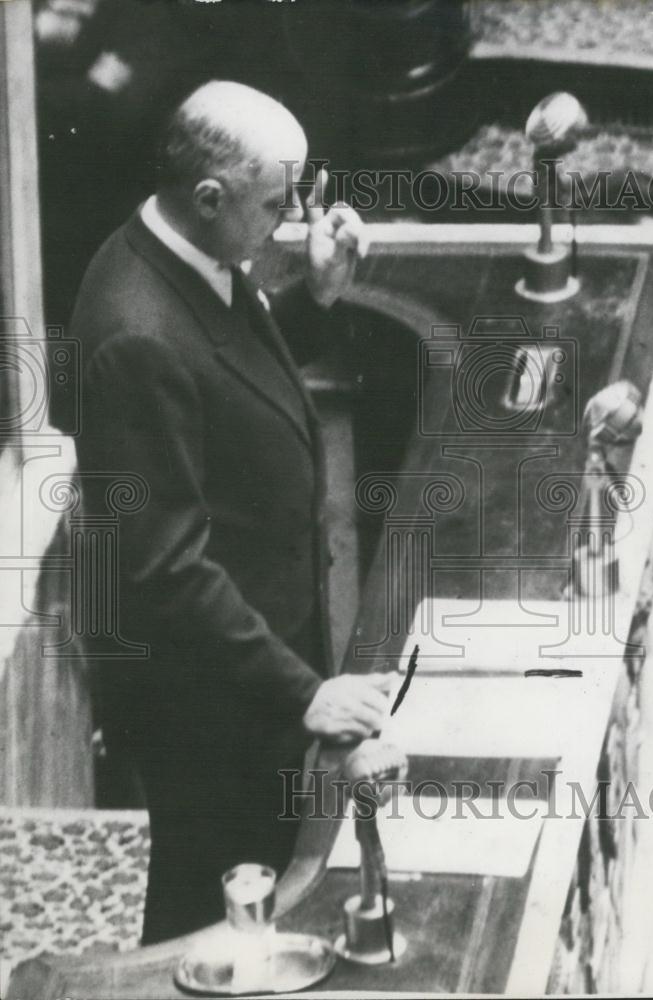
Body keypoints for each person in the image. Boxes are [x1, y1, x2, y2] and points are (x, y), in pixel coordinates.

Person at [68, 80, 392, 944]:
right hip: (210, 697)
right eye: (275, 203)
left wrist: (315, 297)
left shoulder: (194, 255)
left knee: (262, 886)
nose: (290, 222)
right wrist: (305, 694)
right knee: (214, 909)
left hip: (253, 657)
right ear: (208, 196)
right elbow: (164, 568)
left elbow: (228, 381)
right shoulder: (135, 332)